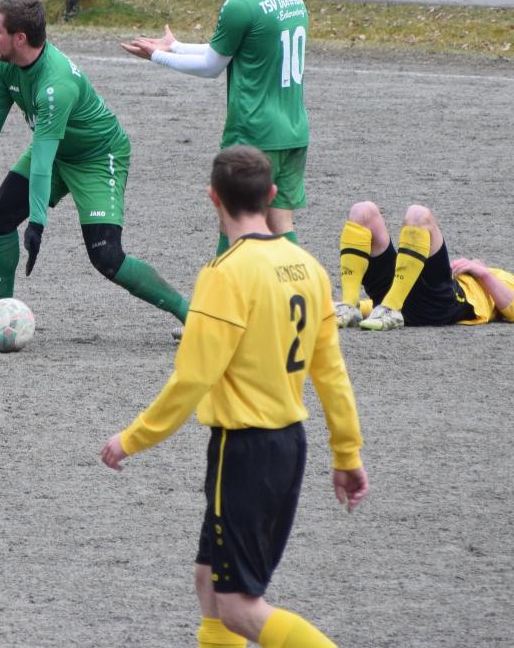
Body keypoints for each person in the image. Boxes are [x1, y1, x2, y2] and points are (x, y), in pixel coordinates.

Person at [98, 147, 367, 648]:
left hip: (243, 451)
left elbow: (191, 379)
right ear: (270, 197)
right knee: (209, 581)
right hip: (289, 445)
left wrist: (131, 439)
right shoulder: (308, 268)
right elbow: (332, 376)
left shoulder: (224, 274)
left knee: (240, 608)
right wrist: (347, 454)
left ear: (213, 198)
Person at [0, 0, 191, 341]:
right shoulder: (6, 65)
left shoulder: (56, 85)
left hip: (97, 156)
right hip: (57, 150)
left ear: (20, 38)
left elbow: (42, 160)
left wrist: (37, 223)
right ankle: (0, 319)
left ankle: (191, 316)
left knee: (106, 255)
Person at [122, 0, 309, 249]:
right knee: (281, 221)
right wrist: (175, 46)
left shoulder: (241, 4)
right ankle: (297, 294)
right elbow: (232, 51)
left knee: (231, 220)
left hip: (254, 134)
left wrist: (157, 56)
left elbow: (211, 66)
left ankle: (226, 299)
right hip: (293, 131)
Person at [331, 199, 514, 332]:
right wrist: (344, 305)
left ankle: (391, 308)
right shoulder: (454, 273)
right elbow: (371, 306)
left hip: (437, 305)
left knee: (419, 214)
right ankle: (349, 307)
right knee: (362, 211)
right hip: (397, 299)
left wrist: (484, 274)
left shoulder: (501, 277)